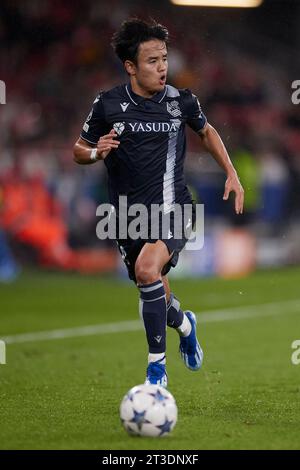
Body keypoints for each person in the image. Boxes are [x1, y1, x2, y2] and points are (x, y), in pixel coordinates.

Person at [73, 18, 244, 388]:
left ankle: (156, 372)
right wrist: (95, 154)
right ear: (131, 66)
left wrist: (231, 171)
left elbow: (207, 131)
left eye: (164, 58)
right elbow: (79, 150)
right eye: (152, 61)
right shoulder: (108, 104)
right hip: (128, 219)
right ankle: (186, 325)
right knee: (153, 289)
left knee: (149, 271)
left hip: (175, 209)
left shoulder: (181, 101)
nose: (162, 67)